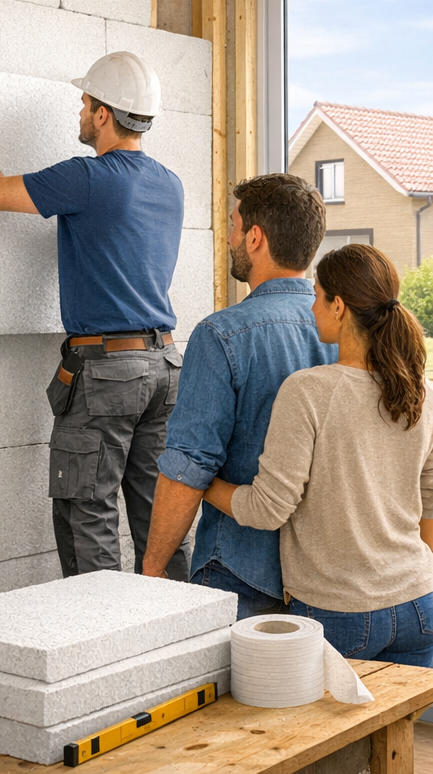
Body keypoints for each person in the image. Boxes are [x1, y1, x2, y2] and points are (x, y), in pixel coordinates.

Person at [0, 52, 189, 579]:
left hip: (106, 374)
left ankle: (101, 644)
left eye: (84, 103)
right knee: (158, 520)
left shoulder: (88, 178)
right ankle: (178, 640)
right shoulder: (170, 183)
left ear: (104, 114)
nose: (79, 112)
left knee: (88, 514)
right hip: (163, 367)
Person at [203, 244, 433, 664]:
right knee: (393, 726)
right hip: (419, 603)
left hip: (340, 611)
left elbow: (268, 509)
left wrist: (202, 483)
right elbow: (430, 502)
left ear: (339, 306)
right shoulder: (421, 392)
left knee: (328, 729)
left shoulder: (308, 390)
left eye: (316, 295)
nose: (311, 308)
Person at [142, 172, 333, 618]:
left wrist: (152, 567)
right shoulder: (348, 332)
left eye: (232, 225)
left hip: (240, 569)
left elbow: (189, 465)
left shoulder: (222, 335)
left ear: (254, 237)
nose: (227, 238)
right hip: (324, 578)